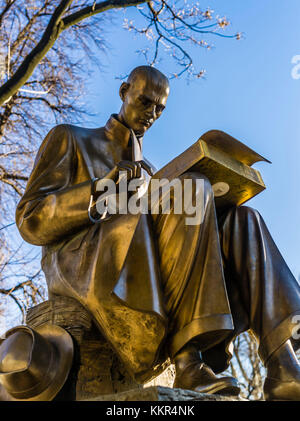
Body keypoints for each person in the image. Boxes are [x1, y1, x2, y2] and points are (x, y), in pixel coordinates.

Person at [1, 65, 300, 401]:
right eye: (144, 102)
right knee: (192, 188)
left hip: (145, 259)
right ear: (123, 91)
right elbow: (30, 219)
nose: (151, 114)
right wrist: (102, 189)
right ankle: (188, 359)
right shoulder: (71, 137)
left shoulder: (152, 172)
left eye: (160, 108)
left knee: (242, 219)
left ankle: (281, 360)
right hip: (85, 261)